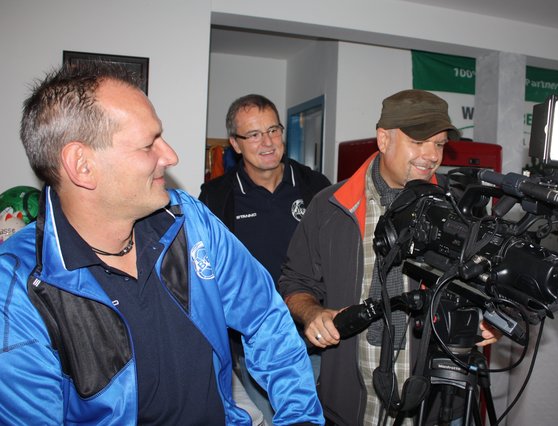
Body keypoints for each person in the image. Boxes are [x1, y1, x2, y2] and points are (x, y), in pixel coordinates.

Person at [0, 62, 323, 425]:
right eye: (147, 144)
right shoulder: (16, 290)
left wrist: (300, 417)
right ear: (82, 164)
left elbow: (265, 315)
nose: (170, 156)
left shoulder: (189, 220)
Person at [278, 89, 500, 425]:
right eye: (419, 140)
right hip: (350, 408)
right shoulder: (329, 206)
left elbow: (489, 284)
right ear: (384, 139)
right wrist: (312, 314)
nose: (431, 155)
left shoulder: (461, 209)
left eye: (438, 143)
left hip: (435, 408)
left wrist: (489, 317)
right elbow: (295, 283)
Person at [199, 94, 331, 424]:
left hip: (313, 342)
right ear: (235, 144)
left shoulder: (316, 187)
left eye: (273, 130)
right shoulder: (216, 197)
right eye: (254, 134)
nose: (268, 142)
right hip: (252, 351)